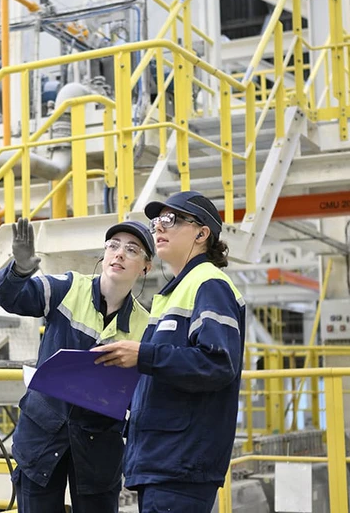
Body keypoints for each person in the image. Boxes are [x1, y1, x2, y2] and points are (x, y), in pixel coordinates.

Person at [92, 191, 246, 513]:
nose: (158, 228)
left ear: (202, 233)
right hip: (162, 460)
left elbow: (217, 363)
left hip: (181, 461)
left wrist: (143, 355)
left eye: (170, 220)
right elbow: (166, 374)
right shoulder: (173, 294)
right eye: (156, 221)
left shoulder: (209, 284)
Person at [0, 217, 155, 513]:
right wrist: (20, 269)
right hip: (43, 434)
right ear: (103, 254)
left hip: (99, 445)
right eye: (113, 246)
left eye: (131, 250)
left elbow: (144, 393)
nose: (119, 253)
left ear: (146, 266)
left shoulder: (146, 326)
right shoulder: (69, 288)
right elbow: (9, 297)